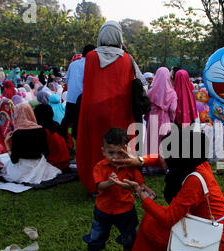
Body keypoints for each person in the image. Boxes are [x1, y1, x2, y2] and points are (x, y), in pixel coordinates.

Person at [113, 127, 224, 251]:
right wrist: (139, 160)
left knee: (152, 226)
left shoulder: (194, 180)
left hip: (216, 236)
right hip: (205, 223)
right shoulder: (194, 162)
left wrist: (139, 192)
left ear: (177, 159)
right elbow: (162, 159)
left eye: (166, 154)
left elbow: (167, 218)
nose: (161, 157)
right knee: (152, 220)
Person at [77, 20, 138, 193]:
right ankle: (121, 180)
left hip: (95, 111)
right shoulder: (127, 58)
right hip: (119, 110)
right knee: (119, 146)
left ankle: (96, 182)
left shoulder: (91, 57)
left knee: (97, 145)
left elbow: (88, 87)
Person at [79, 128, 144, 251]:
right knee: (96, 235)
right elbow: (99, 186)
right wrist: (109, 182)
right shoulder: (100, 167)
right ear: (103, 151)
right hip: (104, 209)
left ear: (126, 151)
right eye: (111, 153)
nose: (115, 157)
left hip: (126, 209)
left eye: (120, 153)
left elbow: (138, 185)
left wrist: (132, 186)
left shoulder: (130, 166)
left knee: (129, 236)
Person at [0, 103, 60, 184]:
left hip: (20, 171)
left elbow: (14, 160)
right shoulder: (41, 131)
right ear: (31, 113)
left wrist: (6, 143)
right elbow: (46, 153)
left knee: (2, 161)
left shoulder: (17, 134)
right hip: (39, 168)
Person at [61, 45, 96, 138]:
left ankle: (63, 139)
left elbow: (67, 79)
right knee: (79, 121)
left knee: (67, 119)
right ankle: (76, 142)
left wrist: (73, 90)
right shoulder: (91, 65)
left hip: (71, 97)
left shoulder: (73, 64)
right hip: (83, 99)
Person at [144, 67, 177, 158]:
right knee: (164, 141)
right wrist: (172, 120)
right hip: (165, 118)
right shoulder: (171, 93)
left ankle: (151, 164)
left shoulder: (150, 92)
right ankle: (163, 164)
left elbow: (146, 107)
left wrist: (147, 118)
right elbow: (173, 109)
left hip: (152, 117)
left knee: (152, 140)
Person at [33, 104, 70, 170]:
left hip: (54, 164)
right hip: (66, 162)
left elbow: (43, 152)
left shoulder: (43, 130)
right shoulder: (56, 124)